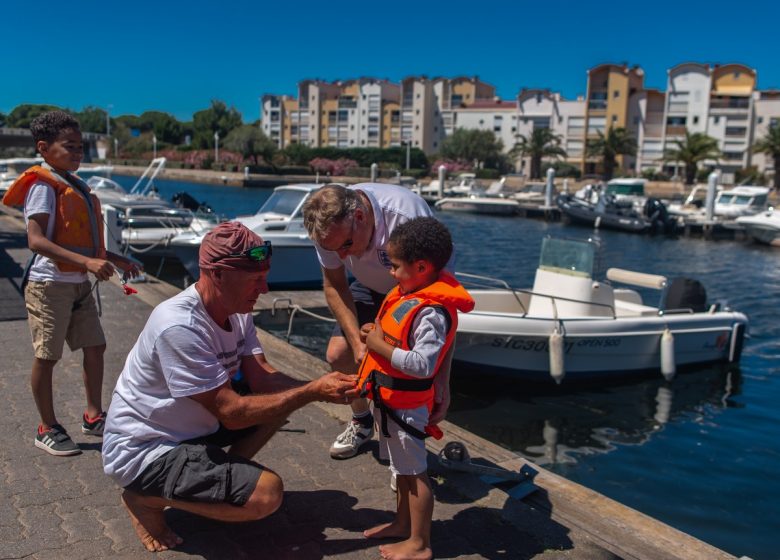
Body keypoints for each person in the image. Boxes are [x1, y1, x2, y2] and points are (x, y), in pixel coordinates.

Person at [102, 221, 357, 553]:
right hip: (146, 449)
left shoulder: (237, 310)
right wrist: (311, 392)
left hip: (193, 428)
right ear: (217, 275)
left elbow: (263, 378)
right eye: (254, 279)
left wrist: (323, 386)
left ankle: (212, 487)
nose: (264, 289)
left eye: (264, 277)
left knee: (279, 404)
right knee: (267, 495)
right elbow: (232, 414)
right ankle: (144, 499)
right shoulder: (178, 325)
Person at [2, 110, 141, 457]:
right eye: (70, 146)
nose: (78, 153)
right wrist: (89, 263)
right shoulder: (42, 187)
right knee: (47, 356)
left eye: (80, 146)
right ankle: (46, 427)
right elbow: (35, 241)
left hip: (78, 282)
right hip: (49, 285)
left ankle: (93, 416)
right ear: (44, 148)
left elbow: (80, 242)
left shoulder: (73, 184)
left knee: (95, 347)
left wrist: (117, 259)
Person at [303, 182, 452, 460]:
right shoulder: (329, 231)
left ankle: (405, 443)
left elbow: (444, 304)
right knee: (339, 354)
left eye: (346, 245)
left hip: (415, 293)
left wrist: (443, 378)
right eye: (336, 251)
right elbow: (335, 285)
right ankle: (362, 420)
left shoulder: (406, 218)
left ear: (360, 218)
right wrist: (357, 347)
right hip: (369, 287)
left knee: (405, 368)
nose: (345, 256)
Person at [356, 217, 474, 560]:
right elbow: (395, 337)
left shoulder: (432, 313)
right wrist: (374, 335)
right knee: (400, 470)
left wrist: (377, 345)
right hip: (388, 400)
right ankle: (401, 523)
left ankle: (420, 543)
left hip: (406, 407)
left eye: (395, 267)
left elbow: (423, 364)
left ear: (420, 267)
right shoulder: (410, 295)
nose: (391, 274)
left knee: (415, 473)